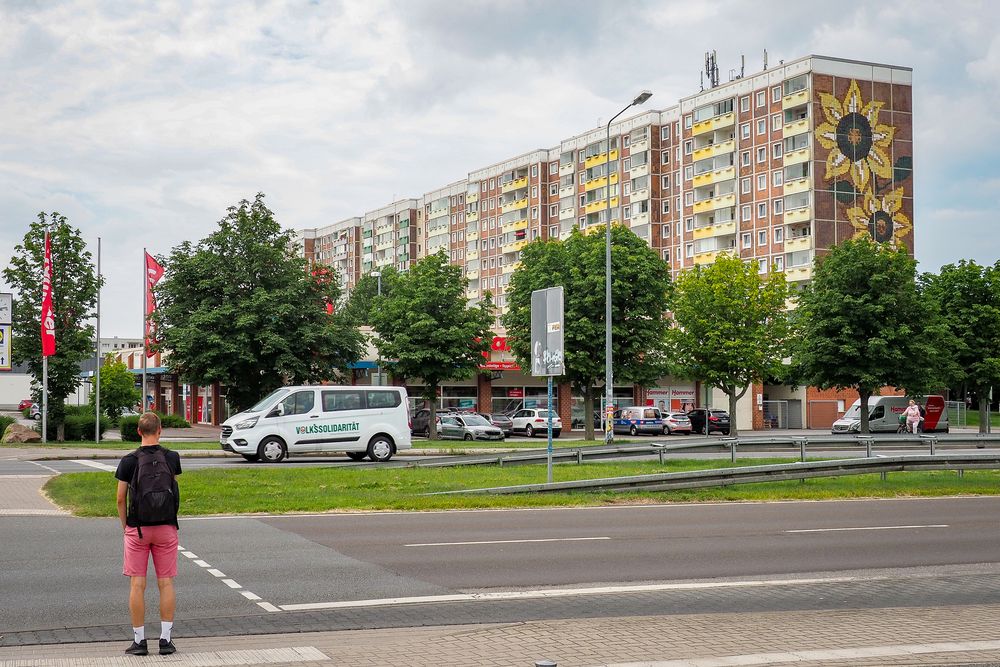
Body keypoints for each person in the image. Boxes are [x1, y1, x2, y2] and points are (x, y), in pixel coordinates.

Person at [114, 412, 182, 656]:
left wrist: (126, 527)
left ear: (139, 431)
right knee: (165, 583)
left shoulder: (129, 461)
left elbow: (120, 498)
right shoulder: (172, 458)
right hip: (166, 527)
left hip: (138, 529)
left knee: (137, 584)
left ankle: (139, 641)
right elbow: (172, 489)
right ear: (160, 430)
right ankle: (165, 640)